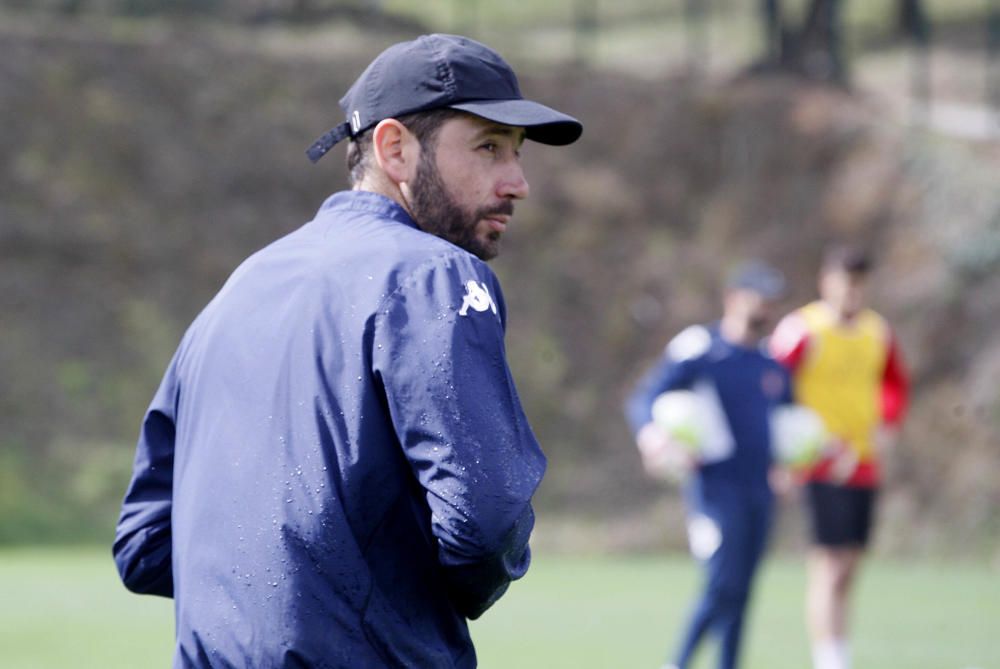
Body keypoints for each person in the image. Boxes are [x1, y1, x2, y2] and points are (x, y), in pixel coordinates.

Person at [113, 34, 582, 668]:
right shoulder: (433, 274)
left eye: (517, 154)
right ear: (395, 148)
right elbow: (486, 519)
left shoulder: (242, 285)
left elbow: (145, 543)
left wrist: (269, 598)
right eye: (488, 147)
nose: (518, 182)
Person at [625, 261, 793, 669]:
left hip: (759, 491)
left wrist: (788, 464)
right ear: (733, 298)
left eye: (771, 300)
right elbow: (645, 397)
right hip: (715, 490)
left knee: (743, 591)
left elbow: (788, 422)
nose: (766, 307)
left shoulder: (772, 362)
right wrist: (652, 434)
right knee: (722, 584)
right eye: (758, 297)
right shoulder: (701, 348)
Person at [769, 245, 909, 669]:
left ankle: (836, 650)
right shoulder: (802, 330)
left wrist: (887, 423)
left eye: (859, 284)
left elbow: (894, 384)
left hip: (863, 462)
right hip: (818, 462)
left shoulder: (876, 332)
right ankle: (829, 659)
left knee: (849, 563)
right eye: (844, 283)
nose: (851, 293)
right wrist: (784, 456)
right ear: (826, 282)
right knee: (828, 564)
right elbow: (774, 388)